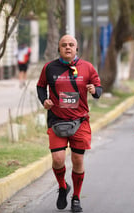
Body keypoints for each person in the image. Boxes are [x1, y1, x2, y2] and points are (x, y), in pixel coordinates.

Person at [36, 35, 102, 212]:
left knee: (77, 160)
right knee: (58, 159)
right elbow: (40, 86)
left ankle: (76, 197)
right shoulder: (49, 68)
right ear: (59, 48)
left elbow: (98, 89)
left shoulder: (87, 67)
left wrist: (95, 90)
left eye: (71, 45)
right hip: (56, 120)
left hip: (80, 121)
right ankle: (63, 187)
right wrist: (45, 101)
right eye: (64, 45)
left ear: (76, 48)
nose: (67, 47)